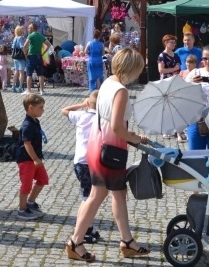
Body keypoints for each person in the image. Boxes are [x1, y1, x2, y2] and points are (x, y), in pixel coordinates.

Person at [65, 48, 149, 262]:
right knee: (97, 196)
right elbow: (117, 126)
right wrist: (136, 138)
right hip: (110, 148)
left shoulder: (107, 84)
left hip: (98, 143)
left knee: (116, 194)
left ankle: (126, 240)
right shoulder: (121, 90)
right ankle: (75, 241)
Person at [62, 92, 101, 244]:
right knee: (88, 198)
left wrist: (82, 104)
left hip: (79, 162)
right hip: (92, 162)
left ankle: (87, 227)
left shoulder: (81, 116)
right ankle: (84, 228)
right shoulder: (101, 119)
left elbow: (64, 110)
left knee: (88, 195)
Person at [184, 44, 209, 149]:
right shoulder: (195, 72)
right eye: (204, 58)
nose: (207, 62)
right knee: (195, 156)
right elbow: (182, 93)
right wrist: (191, 84)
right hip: (196, 119)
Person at [16, 93, 49, 220]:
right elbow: (27, 143)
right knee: (26, 184)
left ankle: (30, 202)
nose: (43, 110)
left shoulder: (35, 121)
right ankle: (22, 209)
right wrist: (35, 159)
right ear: (31, 108)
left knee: (43, 179)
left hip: (36, 158)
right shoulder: (27, 125)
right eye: (40, 107)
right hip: (27, 159)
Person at [23, 23, 52, 95]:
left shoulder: (30, 36)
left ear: (32, 28)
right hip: (39, 56)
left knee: (29, 74)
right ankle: (42, 90)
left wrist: (25, 54)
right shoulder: (41, 36)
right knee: (40, 74)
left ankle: (28, 90)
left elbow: (25, 46)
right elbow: (49, 45)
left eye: (29, 28)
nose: (28, 29)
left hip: (31, 56)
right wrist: (43, 52)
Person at [11, 25, 26, 93]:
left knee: (16, 72)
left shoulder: (15, 38)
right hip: (20, 57)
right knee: (21, 72)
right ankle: (20, 86)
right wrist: (25, 54)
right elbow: (21, 47)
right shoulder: (20, 38)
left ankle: (13, 85)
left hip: (15, 57)